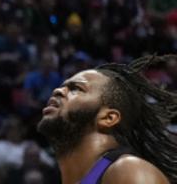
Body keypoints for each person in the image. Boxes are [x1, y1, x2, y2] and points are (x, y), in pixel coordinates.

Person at [37, 55, 176, 184]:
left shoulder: (128, 170)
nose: (57, 91)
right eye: (62, 86)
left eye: (76, 89)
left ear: (108, 118)